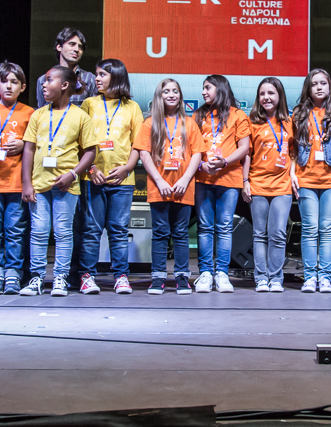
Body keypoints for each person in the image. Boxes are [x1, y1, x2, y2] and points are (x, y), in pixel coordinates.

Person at [20, 67, 97, 297]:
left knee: (63, 232)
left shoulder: (81, 116)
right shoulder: (38, 114)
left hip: (66, 185)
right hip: (39, 184)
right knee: (39, 231)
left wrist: (73, 174)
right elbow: (29, 149)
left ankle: (60, 278)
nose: (43, 85)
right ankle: (36, 278)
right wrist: (26, 183)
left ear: (64, 85)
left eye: (49, 80)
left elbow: (90, 152)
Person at [77, 59, 143, 295]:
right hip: (92, 178)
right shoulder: (88, 104)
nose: (97, 78)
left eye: (102, 74)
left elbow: (139, 144)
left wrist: (127, 168)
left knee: (118, 230)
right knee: (91, 230)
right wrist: (91, 170)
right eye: (96, 74)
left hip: (122, 181)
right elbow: (79, 143)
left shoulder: (132, 107)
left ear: (116, 76)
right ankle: (87, 276)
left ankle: (121, 276)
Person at [134, 79, 203, 295]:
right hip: (159, 187)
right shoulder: (150, 123)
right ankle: (158, 277)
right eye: (166, 91)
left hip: (184, 187)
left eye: (175, 91)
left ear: (181, 96)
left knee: (181, 232)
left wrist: (184, 179)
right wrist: (160, 181)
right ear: (159, 96)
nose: (171, 94)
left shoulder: (189, 123)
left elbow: (198, 153)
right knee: (161, 232)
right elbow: (144, 154)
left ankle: (182, 277)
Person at [0, 62, 35, 296]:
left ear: (22, 87)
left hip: (16, 182)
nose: (9, 86)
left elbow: (34, 145)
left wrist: (23, 144)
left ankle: (13, 273)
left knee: (15, 230)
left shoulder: (29, 112)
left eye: (14, 82)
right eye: (5, 81)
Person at [291, 69, 331, 293]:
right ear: (308, 87)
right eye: (314, 84)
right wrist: (292, 173)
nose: (319, 87)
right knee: (310, 227)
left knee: (327, 227)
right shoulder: (299, 113)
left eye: (323, 83)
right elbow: (293, 148)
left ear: (329, 86)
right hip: (306, 177)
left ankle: (325, 277)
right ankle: (309, 276)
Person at [193, 74, 251, 293]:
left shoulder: (237, 115)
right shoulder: (198, 115)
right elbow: (192, 147)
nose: (203, 92)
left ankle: (222, 274)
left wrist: (225, 161)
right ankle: (206, 273)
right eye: (203, 88)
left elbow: (244, 147)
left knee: (225, 227)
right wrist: (201, 165)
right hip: (203, 178)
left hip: (229, 179)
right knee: (205, 227)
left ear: (220, 88)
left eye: (208, 88)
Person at [243, 77, 295, 293]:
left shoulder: (290, 122)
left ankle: (275, 277)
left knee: (278, 234)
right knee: (259, 234)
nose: (266, 97)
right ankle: (261, 277)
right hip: (258, 184)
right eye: (262, 94)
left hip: (282, 185)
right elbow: (246, 154)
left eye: (271, 93)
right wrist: (245, 181)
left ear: (280, 96)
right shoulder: (252, 122)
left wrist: (293, 175)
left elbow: (293, 153)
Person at [33, 27, 97, 109]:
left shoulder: (90, 78)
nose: (77, 49)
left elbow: (93, 112)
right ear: (59, 47)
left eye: (80, 47)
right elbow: (41, 111)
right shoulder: (43, 80)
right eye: (72, 44)